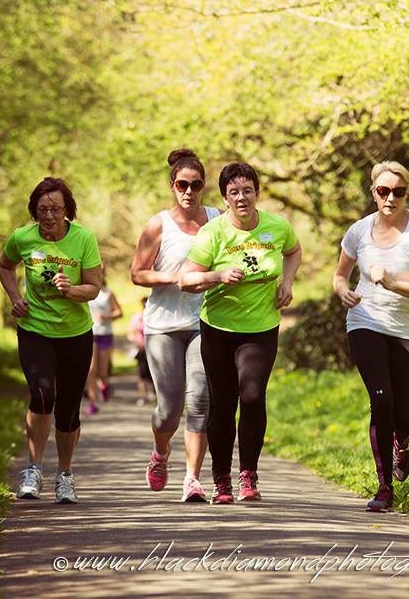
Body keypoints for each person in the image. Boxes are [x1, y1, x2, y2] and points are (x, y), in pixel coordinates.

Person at [179, 162, 301, 504]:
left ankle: (248, 474)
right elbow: (185, 280)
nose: (242, 197)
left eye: (247, 190)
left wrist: (287, 282)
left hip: (261, 328)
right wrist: (217, 276)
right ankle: (221, 480)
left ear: (257, 193)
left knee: (251, 396)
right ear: (225, 198)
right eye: (234, 192)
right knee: (223, 404)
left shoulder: (278, 227)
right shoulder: (213, 233)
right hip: (218, 328)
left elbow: (293, 251)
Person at [332, 161, 409, 512]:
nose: (390, 197)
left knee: (405, 415)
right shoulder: (358, 232)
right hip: (365, 320)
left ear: (407, 193)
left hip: (407, 329)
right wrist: (343, 292)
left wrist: (393, 283)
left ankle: (403, 442)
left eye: (398, 191)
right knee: (381, 400)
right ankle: (384, 488)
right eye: (383, 191)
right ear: (373, 193)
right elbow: (339, 275)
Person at [0, 177, 103, 504]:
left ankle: (65, 475)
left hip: (75, 333)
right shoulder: (22, 238)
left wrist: (70, 290)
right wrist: (15, 297)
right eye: (42, 209)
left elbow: (94, 287)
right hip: (35, 330)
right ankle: (32, 469)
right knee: (43, 395)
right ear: (35, 211)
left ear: (66, 210)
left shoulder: (84, 238)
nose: (49, 216)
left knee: (69, 409)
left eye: (55, 209)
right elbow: (5, 266)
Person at [130, 149, 220, 502]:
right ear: (172, 185)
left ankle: (193, 479)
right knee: (168, 409)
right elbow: (137, 273)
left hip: (204, 322)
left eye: (196, 184)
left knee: (199, 401)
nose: (189, 190)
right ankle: (160, 452)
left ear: (203, 186)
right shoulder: (158, 225)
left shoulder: (217, 220)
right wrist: (175, 277)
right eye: (182, 184)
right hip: (163, 325)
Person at [85, 284, 122, 413]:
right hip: (90, 333)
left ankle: (104, 386)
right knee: (91, 370)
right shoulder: (84, 290)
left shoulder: (108, 293)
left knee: (103, 372)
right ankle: (93, 403)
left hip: (105, 334)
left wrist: (106, 317)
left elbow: (119, 312)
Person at [128, 297, 155, 406]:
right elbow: (130, 333)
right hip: (141, 350)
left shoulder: (154, 316)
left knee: (153, 372)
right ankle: (143, 396)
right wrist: (137, 343)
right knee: (141, 373)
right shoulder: (137, 318)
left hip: (153, 348)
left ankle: (154, 394)